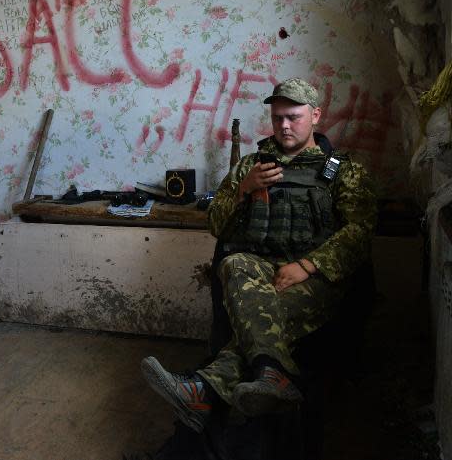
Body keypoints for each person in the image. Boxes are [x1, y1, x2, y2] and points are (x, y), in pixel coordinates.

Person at [140, 78, 377, 432]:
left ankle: (206, 389)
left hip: (314, 276)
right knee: (233, 263)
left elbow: (359, 232)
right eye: (277, 116)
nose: (283, 125)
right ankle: (272, 376)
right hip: (258, 266)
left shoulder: (343, 170)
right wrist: (243, 191)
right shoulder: (252, 165)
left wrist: (306, 266)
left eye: (293, 117)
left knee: (262, 313)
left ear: (315, 115)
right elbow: (217, 225)